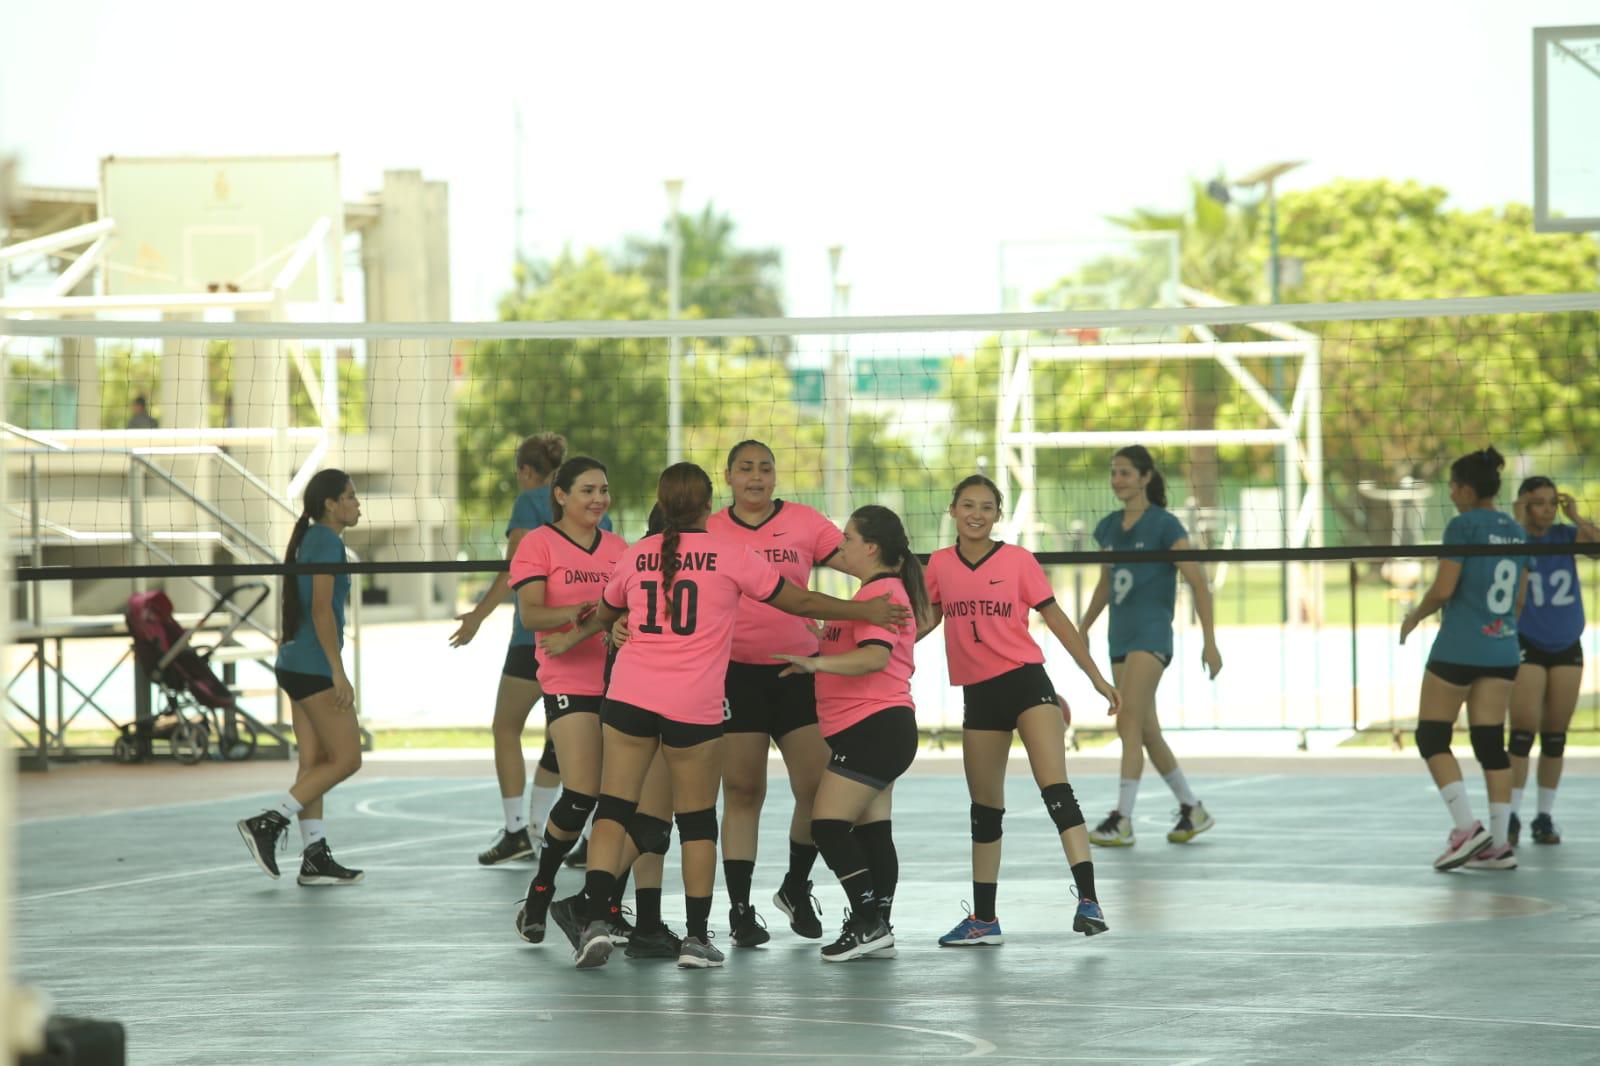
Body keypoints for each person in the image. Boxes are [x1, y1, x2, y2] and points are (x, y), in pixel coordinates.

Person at [539, 462, 911, 970]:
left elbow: (604, 613)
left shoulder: (635, 555)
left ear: (661, 505)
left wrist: (574, 635)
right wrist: (863, 612)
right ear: (709, 506)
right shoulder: (729, 554)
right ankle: (696, 938)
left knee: (615, 810)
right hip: (691, 704)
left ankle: (594, 918)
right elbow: (797, 598)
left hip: (628, 698)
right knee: (695, 823)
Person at [921, 476, 1120, 947]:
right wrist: (871, 652)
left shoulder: (1018, 561)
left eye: (986, 507)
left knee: (1056, 788)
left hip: (1027, 683)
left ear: (997, 515)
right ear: (952, 510)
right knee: (985, 810)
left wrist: (1096, 678)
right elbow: (926, 620)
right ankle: (985, 920)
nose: (976, 513)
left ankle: (1089, 901)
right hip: (979, 695)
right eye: (967, 505)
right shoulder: (939, 566)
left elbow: (1058, 620)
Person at [705, 440, 844, 946]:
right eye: (745, 468)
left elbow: (868, 563)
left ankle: (795, 886)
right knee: (743, 791)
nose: (756, 477)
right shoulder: (709, 529)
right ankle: (740, 910)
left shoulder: (806, 522)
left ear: (776, 476)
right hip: (733, 675)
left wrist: (895, 597)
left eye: (765, 468)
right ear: (728, 477)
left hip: (798, 671)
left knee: (816, 789)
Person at [774, 505, 927, 962]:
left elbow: (875, 658)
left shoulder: (882, 593)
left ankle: (867, 922)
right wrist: (827, 636)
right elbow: (864, 646)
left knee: (827, 825)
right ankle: (878, 925)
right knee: (873, 831)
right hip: (872, 727)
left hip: (874, 726)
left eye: (847, 540)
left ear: (871, 547)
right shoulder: (872, 595)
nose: (840, 547)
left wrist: (815, 662)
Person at [449, 433, 609, 866]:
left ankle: (519, 828)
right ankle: (581, 836)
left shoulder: (530, 502)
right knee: (573, 742)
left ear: (525, 472)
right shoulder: (600, 514)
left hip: (533, 640)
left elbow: (512, 568)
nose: (596, 497)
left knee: (506, 727)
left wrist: (478, 615)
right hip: (598, 641)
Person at [1080, 446, 1222, 848]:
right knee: (1145, 729)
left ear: (1145, 478)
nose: (1117, 480)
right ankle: (1192, 808)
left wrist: (1210, 641)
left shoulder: (1164, 526)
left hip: (1152, 636)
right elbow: (1106, 583)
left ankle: (1122, 818)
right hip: (1119, 637)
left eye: (1125, 473)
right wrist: (1084, 625)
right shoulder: (1108, 527)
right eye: (1114, 473)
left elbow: (1197, 581)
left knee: (1126, 722)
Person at [1400, 447, 1528, 871]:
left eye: (1454, 486)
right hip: (1503, 647)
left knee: (1432, 738)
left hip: (1459, 648)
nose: (1451, 493)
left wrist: (1414, 616)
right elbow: (1520, 599)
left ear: (1469, 490)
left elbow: (1443, 589)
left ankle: (1466, 829)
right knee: (1490, 743)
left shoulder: (1462, 525)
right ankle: (1498, 843)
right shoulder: (1515, 529)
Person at [237, 469, 364, 885]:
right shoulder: (326, 541)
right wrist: (338, 672)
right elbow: (320, 610)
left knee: (313, 764)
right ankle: (269, 822)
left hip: (293, 662)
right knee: (347, 759)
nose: (357, 504)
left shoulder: (311, 538)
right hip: (313, 667)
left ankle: (314, 856)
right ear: (330, 504)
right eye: (350, 497)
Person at [1507, 477, 1594, 846]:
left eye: (1550, 503)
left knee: (1555, 735)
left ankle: (1544, 817)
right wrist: (1515, 519)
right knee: (1523, 731)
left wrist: (1575, 515)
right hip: (1527, 640)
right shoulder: (1514, 537)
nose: (1545, 509)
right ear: (1523, 504)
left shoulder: (1564, 535)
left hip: (1566, 642)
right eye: (1537, 503)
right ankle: (1509, 813)